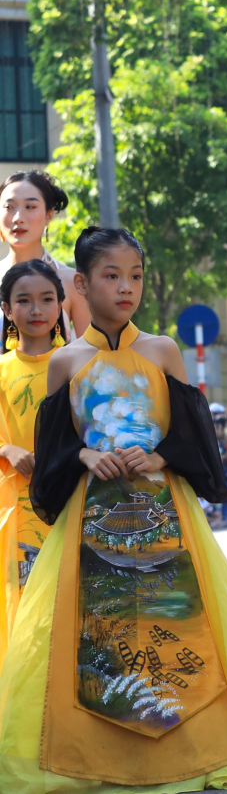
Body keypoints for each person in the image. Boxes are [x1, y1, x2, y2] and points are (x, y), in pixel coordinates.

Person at [0, 226, 227, 789]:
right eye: (111, 276)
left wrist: (161, 455)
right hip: (90, 520)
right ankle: (97, 760)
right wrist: (86, 454)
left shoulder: (163, 350)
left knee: (178, 625)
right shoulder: (65, 364)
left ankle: (197, 754)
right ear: (81, 283)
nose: (126, 288)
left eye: (135, 276)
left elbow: (196, 440)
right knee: (99, 634)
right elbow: (52, 456)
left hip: (167, 512)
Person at [0, 258, 66, 647]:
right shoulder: (3, 370)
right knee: (23, 613)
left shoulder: (79, 365)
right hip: (14, 509)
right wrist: (8, 448)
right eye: (23, 301)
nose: (36, 310)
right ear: (7, 309)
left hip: (70, 503)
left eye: (47, 299)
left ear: (61, 304)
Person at [0, 172, 88, 341]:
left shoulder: (72, 282)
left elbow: (92, 355)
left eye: (30, 207)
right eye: (9, 207)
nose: (18, 218)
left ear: (49, 215)